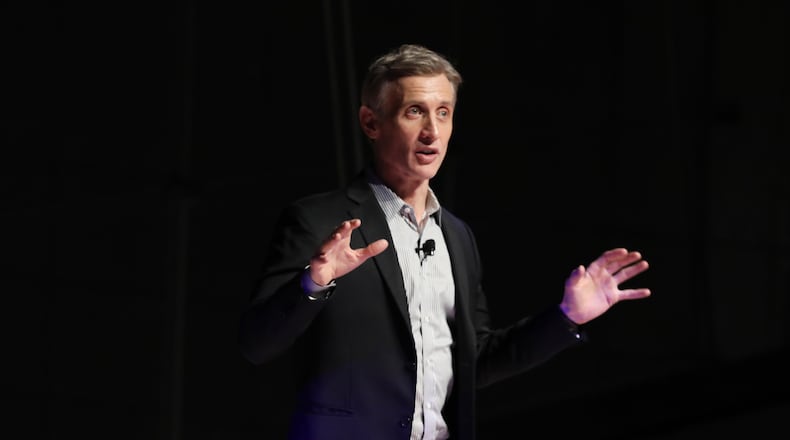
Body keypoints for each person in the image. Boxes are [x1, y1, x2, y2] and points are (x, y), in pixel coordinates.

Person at [239, 43, 651, 440]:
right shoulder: (319, 221)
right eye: (414, 112)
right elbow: (257, 346)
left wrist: (566, 317)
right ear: (371, 122)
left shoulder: (455, 235)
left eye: (443, 112)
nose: (432, 131)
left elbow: (478, 362)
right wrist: (313, 286)